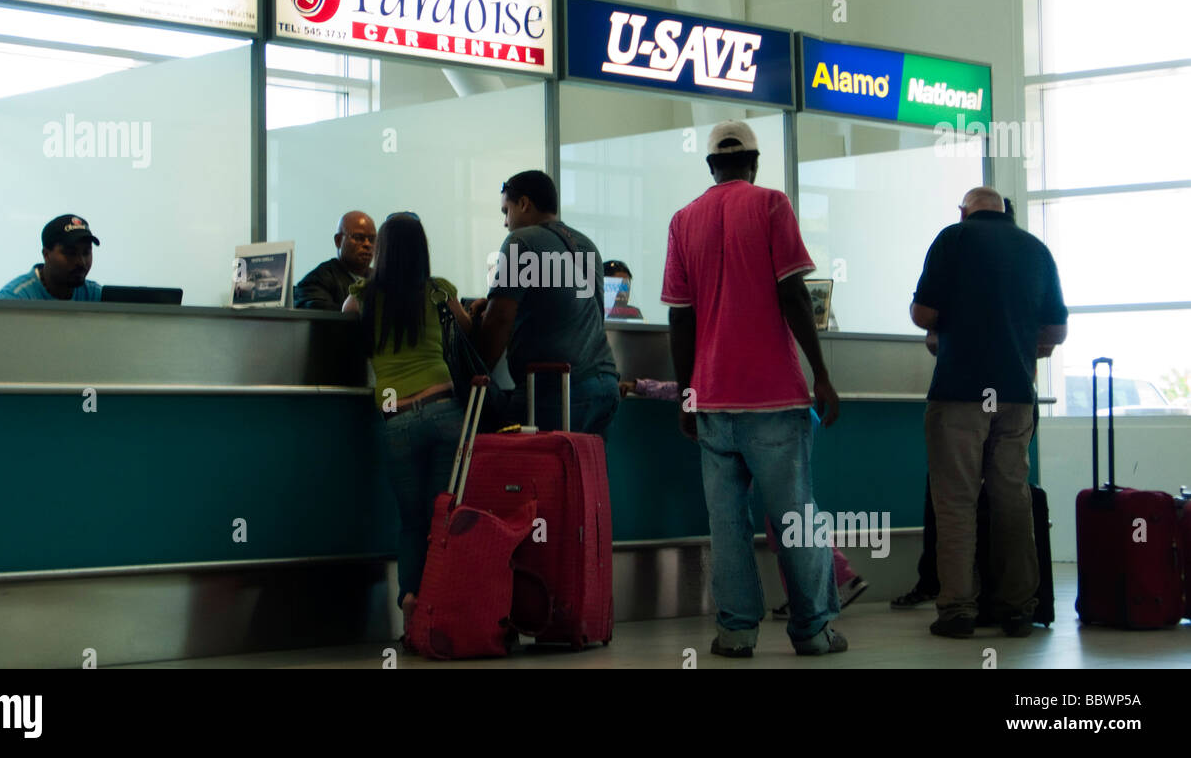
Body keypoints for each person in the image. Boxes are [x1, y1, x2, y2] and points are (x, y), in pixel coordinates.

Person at [663, 119, 846, 658]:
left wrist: (685, 395)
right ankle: (813, 631)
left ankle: (736, 633)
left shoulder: (683, 220)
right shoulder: (771, 204)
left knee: (727, 527)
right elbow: (793, 292)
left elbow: (680, 317)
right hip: (774, 399)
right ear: (755, 161)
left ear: (711, 166)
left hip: (713, 400)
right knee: (795, 519)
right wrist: (822, 373)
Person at [910, 186, 1067, 638]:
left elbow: (923, 314)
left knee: (956, 503)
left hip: (960, 394)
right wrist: (1022, 344)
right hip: (1016, 396)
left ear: (964, 211)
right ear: (1004, 212)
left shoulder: (952, 239)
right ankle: (1019, 608)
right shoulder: (1036, 249)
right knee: (1012, 498)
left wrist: (945, 326)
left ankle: (958, 609)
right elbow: (1055, 329)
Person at [617, 379, 868, 615]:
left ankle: (825, 587)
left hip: (774, 424)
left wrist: (640, 386)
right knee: (788, 515)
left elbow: (680, 390)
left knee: (786, 520)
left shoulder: (712, 367)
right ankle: (823, 586)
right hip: (785, 419)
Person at [341, 212, 472, 642]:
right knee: (442, 518)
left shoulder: (362, 295)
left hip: (397, 420)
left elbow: (343, 322)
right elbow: (470, 332)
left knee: (412, 520)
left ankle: (410, 603)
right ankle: (443, 610)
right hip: (444, 410)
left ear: (382, 251)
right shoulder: (439, 292)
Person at [473, 170, 620, 437]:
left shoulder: (522, 241)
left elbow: (499, 320)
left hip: (558, 389)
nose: (506, 222)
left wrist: (475, 372)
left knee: (525, 468)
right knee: (583, 476)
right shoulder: (586, 246)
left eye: (506, 210)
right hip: (605, 385)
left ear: (525, 204)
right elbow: (568, 305)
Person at [0, 214, 102, 301]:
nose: (81, 262)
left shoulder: (95, 295)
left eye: (86, 252)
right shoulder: (13, 300)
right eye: (71, 253)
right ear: (46, 254)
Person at [294, 211, 376, 309]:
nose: (367, 244)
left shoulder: (380, 278)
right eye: (358, 238)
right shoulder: (317, 280)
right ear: (338, 240)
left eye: (372, 239)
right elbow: (316, 310)